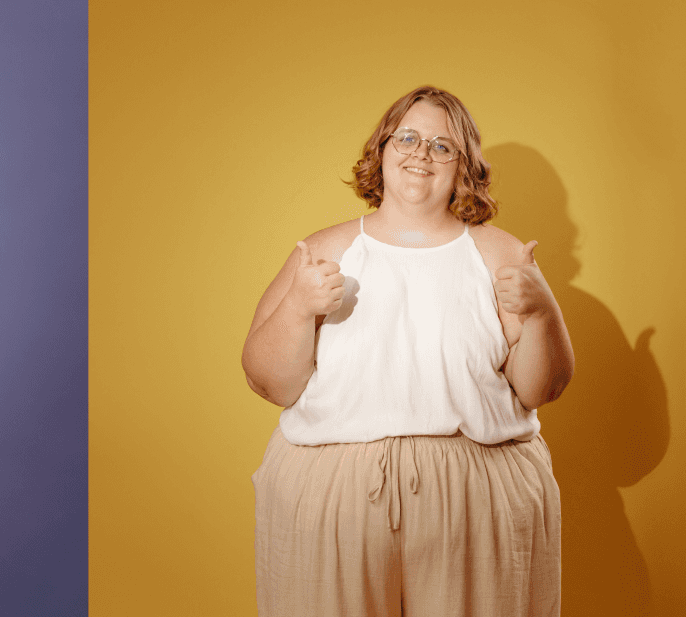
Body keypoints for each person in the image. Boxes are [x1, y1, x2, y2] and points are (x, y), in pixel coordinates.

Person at [240, 85, 575, 616]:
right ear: (381, 149)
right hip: (336, 495)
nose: (422, 153)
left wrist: (540, 312)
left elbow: (541, 388)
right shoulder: (323, 251)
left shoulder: (503, 255)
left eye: (443, 147)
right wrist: (300, 308)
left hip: (476, 496)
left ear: (464, 168)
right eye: (408, 138)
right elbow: (270, 382)